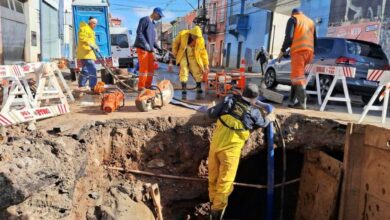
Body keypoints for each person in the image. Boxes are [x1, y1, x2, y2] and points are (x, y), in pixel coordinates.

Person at [207, 84, 275, 219]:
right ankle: (216, 214)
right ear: (255, 99)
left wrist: (211, 106)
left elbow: (211, 114)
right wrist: (270, 117)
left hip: (215, 147)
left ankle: (212, 205)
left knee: (213, 179)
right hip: (230, 152)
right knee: (225, 184)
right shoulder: (254, 112)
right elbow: (263, 123)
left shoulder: (229, 100)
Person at [278, 8, 316, 110]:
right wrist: (313, 53)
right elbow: (314, 39)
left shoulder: (293, 19)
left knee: (298, 78)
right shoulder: (310, 21)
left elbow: (288, 37)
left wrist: (282, 50)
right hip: (309, 53)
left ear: (292, 14)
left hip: (299, 52)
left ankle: (302, 103)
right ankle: (291, 101)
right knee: (296, 76)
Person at [172, 26, 209, 94]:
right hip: (183, 55)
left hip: (194, 56)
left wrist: (206, 64)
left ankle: (198, 87)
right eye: (195, 36)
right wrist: (175, 52)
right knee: (184, 70)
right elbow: (176, 43)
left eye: (197, 36)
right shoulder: (183, 34)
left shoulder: (201, 40)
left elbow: (203, 52)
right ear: (191, 33)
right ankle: (184, 88)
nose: (196, 38)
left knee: (197, 71)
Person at [134, 7, 164, 92]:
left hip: (150, 49)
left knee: (151, 69)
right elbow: (139, 33)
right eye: (159, 16)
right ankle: (141, 86)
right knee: (144, 68)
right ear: (155, 13)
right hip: (143, 48)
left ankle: (148, 85)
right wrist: (145, 44)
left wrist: (158, 47)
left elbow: (152, 39)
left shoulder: (153, 24)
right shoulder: (145, 20)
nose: (160, 18)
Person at [76, 17, 99, 91]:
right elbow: (82, 38)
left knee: (85, 69)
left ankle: (81, 84)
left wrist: (96, 47)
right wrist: (90, 45)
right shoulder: (84, 28)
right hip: (85, 53)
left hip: (88, 53)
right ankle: (93, 86)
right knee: (92, 68)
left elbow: (92, 42)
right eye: (94, 23)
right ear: (91, 23)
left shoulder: (91, 31)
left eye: (96, 23)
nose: (95, 25)